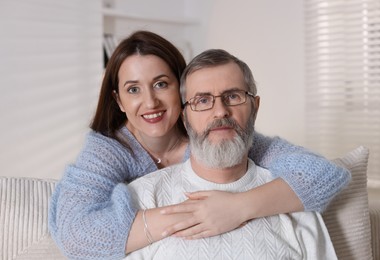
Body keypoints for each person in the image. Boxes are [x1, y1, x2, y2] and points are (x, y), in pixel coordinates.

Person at [49, 31, 349, 259]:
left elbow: (321, 174)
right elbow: (77, 236)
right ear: (119, 101)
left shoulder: (215, 135)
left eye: (161, 84)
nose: (150, 101)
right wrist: (183, 217)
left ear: (183, 94)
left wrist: (238, 207)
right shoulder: (108, 151)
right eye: (133, 89)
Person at [125, 48, 338, 259]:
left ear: (255, 107)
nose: (220, 111)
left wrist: (240, 207)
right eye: (203, 100)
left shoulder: (295, 200)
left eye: (233, 96)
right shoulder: (143, 197)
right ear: (184, 118)